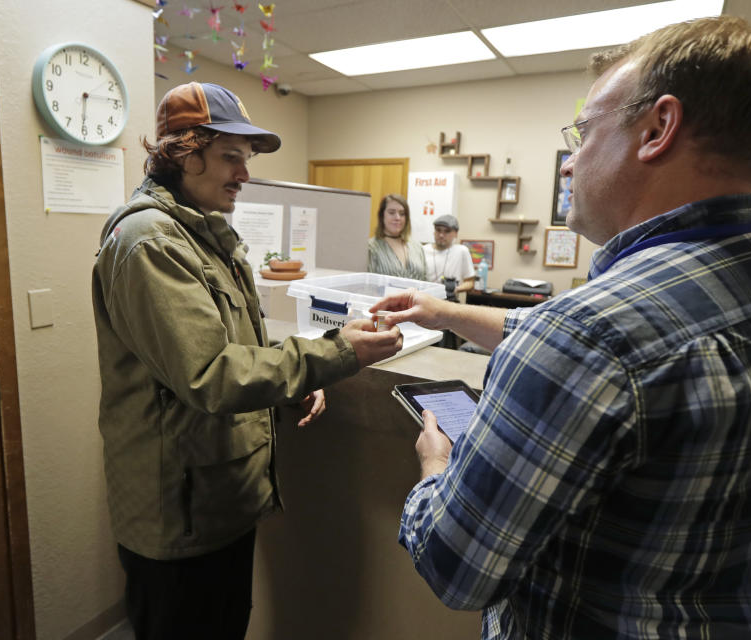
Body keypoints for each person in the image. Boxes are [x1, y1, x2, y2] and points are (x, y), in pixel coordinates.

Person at [373, 16, 751, 639]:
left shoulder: (585, 336)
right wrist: (440, 312)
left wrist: (437, 465)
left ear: (658, 129)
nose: (569, 165)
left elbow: (454, 567)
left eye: (584, 132)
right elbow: (571, 339)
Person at [91, 81, 403, 640]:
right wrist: (338, 352)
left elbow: (238, 347)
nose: (244, 173)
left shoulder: (205, 233)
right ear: (184, 152)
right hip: (179, 511)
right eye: (231, 156)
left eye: (247, 158)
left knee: (225, 623)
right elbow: (209, 374)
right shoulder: (149, 242)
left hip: (219, 498)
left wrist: (289, 384)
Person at [367, 193, 427, 279]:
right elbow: (368, 284)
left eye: (402, 214)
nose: (397, 218)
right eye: (391, 213)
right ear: (381, 216)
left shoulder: (417, 247)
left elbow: (426, 280)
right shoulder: (371, 248)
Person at [423, 214, 476, 301]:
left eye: (447, 231)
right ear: (434, 231)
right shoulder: (422, 250)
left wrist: (456, 289)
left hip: (450, 302)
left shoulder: (462, 251)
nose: (441, 235)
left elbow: (470, 282)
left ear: (455, 234)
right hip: (426, 300)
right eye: (438, 230)